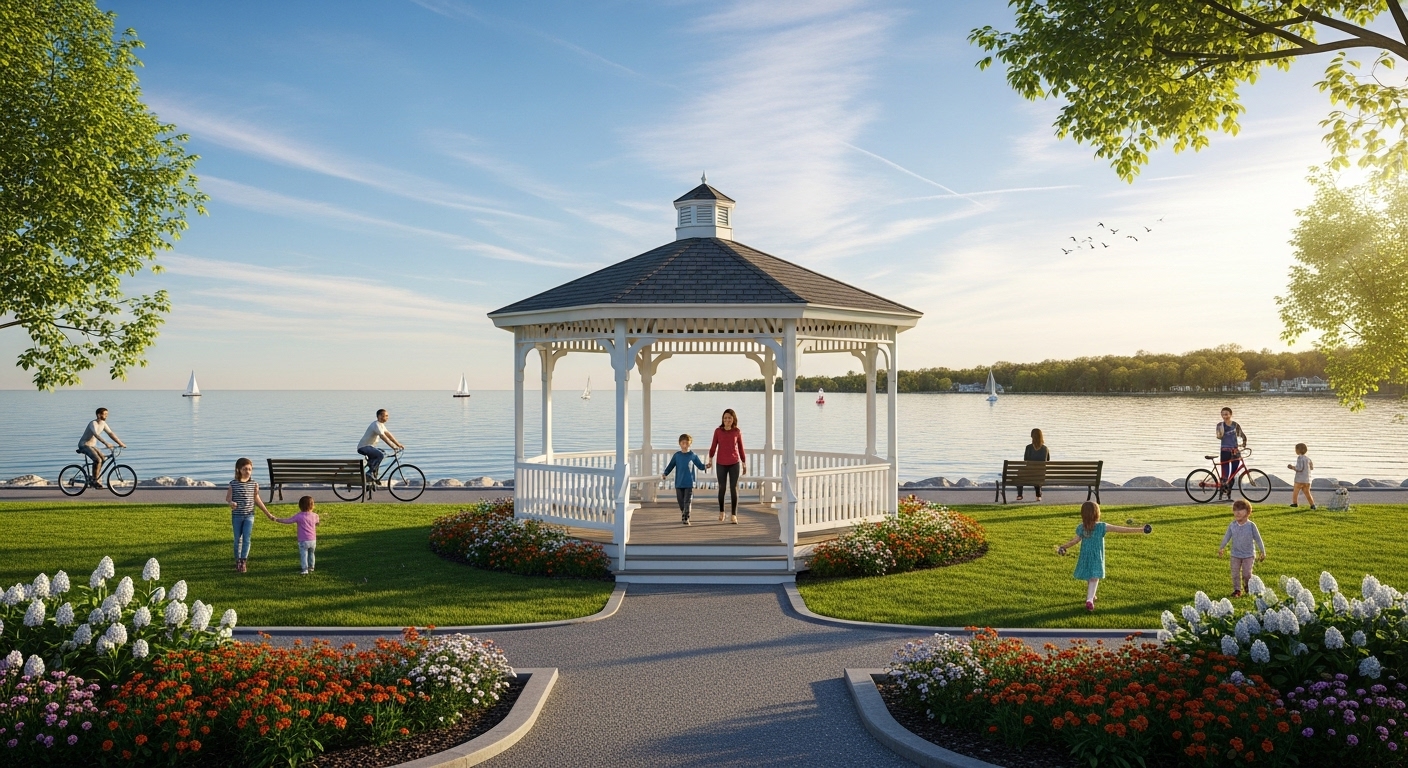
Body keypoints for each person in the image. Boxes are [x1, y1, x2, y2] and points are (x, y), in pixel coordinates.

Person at [1056, 501, 1152, 612]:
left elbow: (1074, 541)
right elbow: (1121, 529)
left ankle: (1092, 594)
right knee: (1094, 578)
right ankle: (1090, 599)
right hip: (1097, 556)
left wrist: (1063, 547)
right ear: (1097, 513)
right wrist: (1141, 529)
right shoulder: (1102, 526)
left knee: (1090, 575)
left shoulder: (1081, 528)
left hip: (1085, 555)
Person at [225, 457, 271, 574]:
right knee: (237, 540)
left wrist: (267, 513)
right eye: (245, 469)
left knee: (247, 539)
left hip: (249, 515)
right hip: (237, 516)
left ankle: (243, 561)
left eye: (250, 469)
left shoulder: (254, 484)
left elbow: (257, 499)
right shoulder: (233, 484)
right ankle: (237, 560)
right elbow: (228, 498)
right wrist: (231, 503)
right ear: (238, 470)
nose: (248, 471)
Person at [1218, 499, 1266, 597]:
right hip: (1235, 554)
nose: (1237, 512)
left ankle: (1248, 588)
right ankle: (1237, 590)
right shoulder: (1232, 525)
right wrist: (1221, 547)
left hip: (1248, 554)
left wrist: (1262, 551)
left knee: (1246, 574)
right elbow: (1227, 537)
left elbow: (1258, 539)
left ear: (1248, 512)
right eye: (1235, 510)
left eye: (1240, 510)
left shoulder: (1251, 526)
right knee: (1235, 572)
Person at [706, 408, 746, 524]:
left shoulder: (737, 431)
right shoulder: (718, 431)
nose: (727, 420)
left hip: (734, 463)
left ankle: (733, 515)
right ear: (722, 419)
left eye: (729, 418)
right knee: (722, 487)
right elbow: (713, 446)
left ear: (733, 419)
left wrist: (744, 463)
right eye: (725, 418)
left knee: (733, 488)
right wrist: (710, 459)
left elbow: (741, 448)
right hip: (721, 463)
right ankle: (722, 512)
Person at [266, 495, 321, 575]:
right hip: (313, 540)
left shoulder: (299, 516)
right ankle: (311, 567)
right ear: (312, 505)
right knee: (311, 554)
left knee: (303, 555)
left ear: (300, 506)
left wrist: (277, 519)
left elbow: (288, 521)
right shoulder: (315, 516)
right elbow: (317, 523)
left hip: (303, 540)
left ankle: (304, 569)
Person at [662, 434, 706, 525]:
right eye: (683, 443)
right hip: (679, 482)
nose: (685, 445)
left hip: (689, 482)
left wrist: (706, 466)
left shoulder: (692, 455)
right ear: (680, 444)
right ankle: (683, 512)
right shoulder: (677, 455)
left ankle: (686, 517)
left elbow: (700, 466)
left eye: (687, 443)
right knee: (680, 501)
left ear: (690, 444)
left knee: (687, 501)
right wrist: (665, 473)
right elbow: (671, 466)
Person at [77, 407, 126, 488]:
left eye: (107, 414)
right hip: (84, 445)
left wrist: (121, 443)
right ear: (99, 415)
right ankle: (94, 480)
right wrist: (106, 443)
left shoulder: (103, 424)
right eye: (105, 414)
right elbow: (96, 434)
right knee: (98, 460)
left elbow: (110, 433)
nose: (106, 416)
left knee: (103, 459)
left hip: (92, 446)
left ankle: (94, 478)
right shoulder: (93, 423)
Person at [358, 409, 405, 482]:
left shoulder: (381, 425)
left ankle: (372, 477)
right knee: (380, 455)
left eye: (387, 416)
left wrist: (398, 444)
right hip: (364, 447)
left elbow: (388, 435)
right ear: (379, 416)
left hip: (370, 447)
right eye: (385, 416)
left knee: (382, 452)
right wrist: (393, 447)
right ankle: (369, 473)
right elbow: (383, 437)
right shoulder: (376, 425)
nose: (387, 417)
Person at [1216, 407, 1247, 499]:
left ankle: (1229, 493)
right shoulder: (1219, 425)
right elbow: (1218, 436)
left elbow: (1242, 435)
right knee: (1224, 474)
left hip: (1235, 452)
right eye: (1222, 414)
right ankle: (1221, 494)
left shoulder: (1235, 425)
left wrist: (1243, 444)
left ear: (1230, 414)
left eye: (1226, 414)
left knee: (1233, 474)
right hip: (1225, 451)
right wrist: (1221, 430)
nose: (1224, 416)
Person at [1017, 428, 1050, 502]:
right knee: (1037, 473)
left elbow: (1025, 460)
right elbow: (1047, 461)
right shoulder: (1045, 449)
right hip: (1041, 475)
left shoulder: (1028, 448)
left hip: (1030, 473)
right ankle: (1038, 495)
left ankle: (1019, 495)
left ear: (1032, 437)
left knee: (1019, 473)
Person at [1288, 443, 1316, 509]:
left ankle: (1295, 503)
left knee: (1295, 491)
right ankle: (1312, 505)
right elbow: (1311, 468)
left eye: (1295, 449)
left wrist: (1292, 467)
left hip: (1299, 479)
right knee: (1307, 493)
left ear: (1298, 450)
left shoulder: (1300, 458)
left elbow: (1299, 468)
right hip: (1307, 480)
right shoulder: (1308, 459)